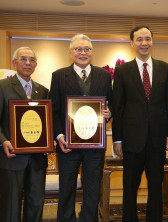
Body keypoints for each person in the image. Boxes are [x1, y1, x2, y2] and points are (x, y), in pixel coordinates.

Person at [112, 24, 168, 221]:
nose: (144, 43)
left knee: (156, 187)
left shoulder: (166, 69)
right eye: (139, 39)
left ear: (152, 41)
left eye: (147, 39)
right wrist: (118, 140)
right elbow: (118, 107)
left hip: (157, 139)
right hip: (132, 140)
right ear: (132, 43)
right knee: (129, 187)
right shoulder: (122, 70)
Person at [49, 34, 112, 222]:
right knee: (67, 188)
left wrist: (109, 113)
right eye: (78, 49)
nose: (83, 53)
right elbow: (54, 109)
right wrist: (59, 135)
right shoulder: (59, 75)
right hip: (67, 144)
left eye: (86, 49)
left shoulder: (104, 75)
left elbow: (112, 103)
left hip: (95, 145)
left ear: (92, 52)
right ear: (70, 52)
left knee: (93, 189)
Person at [0, 47, 49, 222]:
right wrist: (3, 141)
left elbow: (46, 122)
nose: (28, 63)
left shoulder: (42, 91)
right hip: (12, 158)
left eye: (31, 60)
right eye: (23, 59)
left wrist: (48, 141)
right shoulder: (2, 87)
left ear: (36, 64)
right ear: (14, 63)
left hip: (37, 160)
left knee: (35, 204)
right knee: (11, 207)